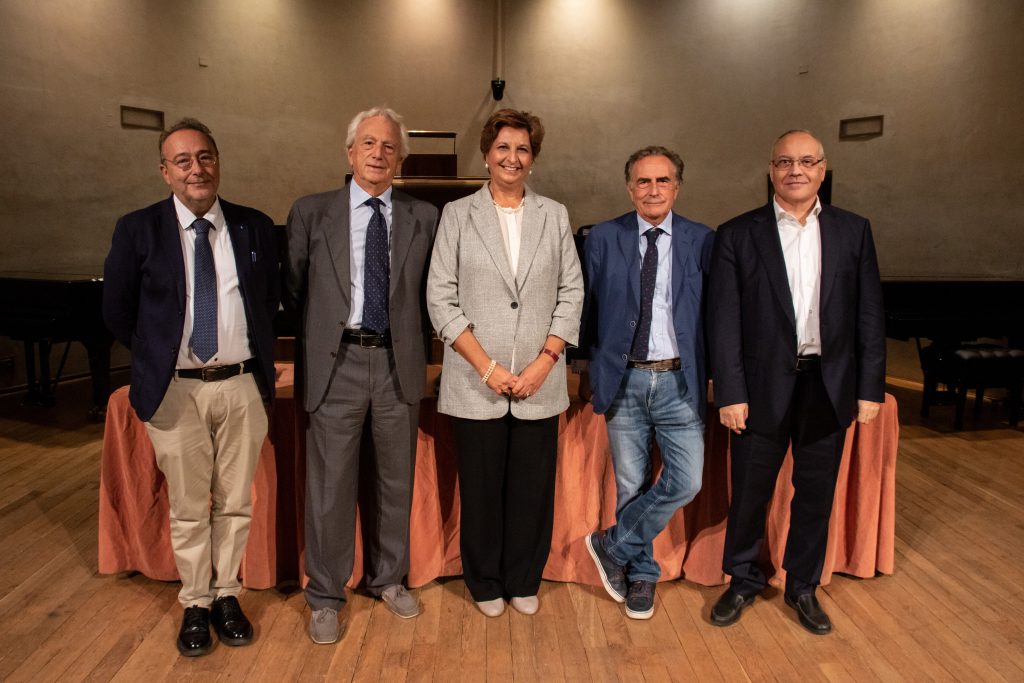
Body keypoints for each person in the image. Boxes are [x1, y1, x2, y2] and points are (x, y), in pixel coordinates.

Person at [102, 118, 280, 656]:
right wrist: (158, 356)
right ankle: (196, 603)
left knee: (234, 503)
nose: (196, 169)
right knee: (186, 506)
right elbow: (117, 311)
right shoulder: (138, 229)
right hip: (175, 390)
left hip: (242, 386)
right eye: (182, 161)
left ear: (218, 162)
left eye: (204, 157)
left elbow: (271, 300)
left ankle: (228, 595)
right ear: (165, 172)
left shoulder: (255, 226)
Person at [708, 130, 885, 635]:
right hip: (760, 388)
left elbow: (869, 315)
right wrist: (731, 392)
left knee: (816, 494)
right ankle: (742, 580)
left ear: (822, 170)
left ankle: (802, 585)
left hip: (827, 386)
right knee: (750, 492)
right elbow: (724, 321)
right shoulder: (739, 233)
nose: (795, 170)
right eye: (785, 161)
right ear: (771, 171)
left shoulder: (854, 231)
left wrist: (869, 387)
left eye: (806, 161)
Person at [285, 107, 438, 645]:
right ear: (349, 152)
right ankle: (325, 594)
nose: (378, 154)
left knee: (395, 481)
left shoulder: (424, 217)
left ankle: (388, 579)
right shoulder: (311, 212)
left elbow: (428, 296)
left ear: (400, 158)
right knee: (329, 488)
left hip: (398, 364)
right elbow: (297, 290)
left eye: (389, 146)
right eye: (368, 144)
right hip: (338, 364)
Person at [426, 109, 583, 618]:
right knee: (482, 487)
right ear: (486, 155)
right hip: (476, 382)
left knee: (532, 491)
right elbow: (441, 299)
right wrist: (489, 368)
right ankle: (486, 580)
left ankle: (523, 577)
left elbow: (572, 292)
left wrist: (545, 360)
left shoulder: (554, 214)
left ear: (532, 160)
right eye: (503, 148)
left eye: (522, 149)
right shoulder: (456, 214)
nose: (512, 157)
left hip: (541, 379)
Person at [580, 146, 714, 620]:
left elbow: (714, 319)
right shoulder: (602, 238)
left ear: (676, 186)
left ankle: (609, 545)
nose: (652, 189)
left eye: (662, 181)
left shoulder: (703, 240)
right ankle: (642, 576)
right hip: (625, 380)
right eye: (643, 181)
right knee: (631, 485)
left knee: (687, 480)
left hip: (680, 381)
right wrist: (592, 372)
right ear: (629, 187)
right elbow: (588, 313)